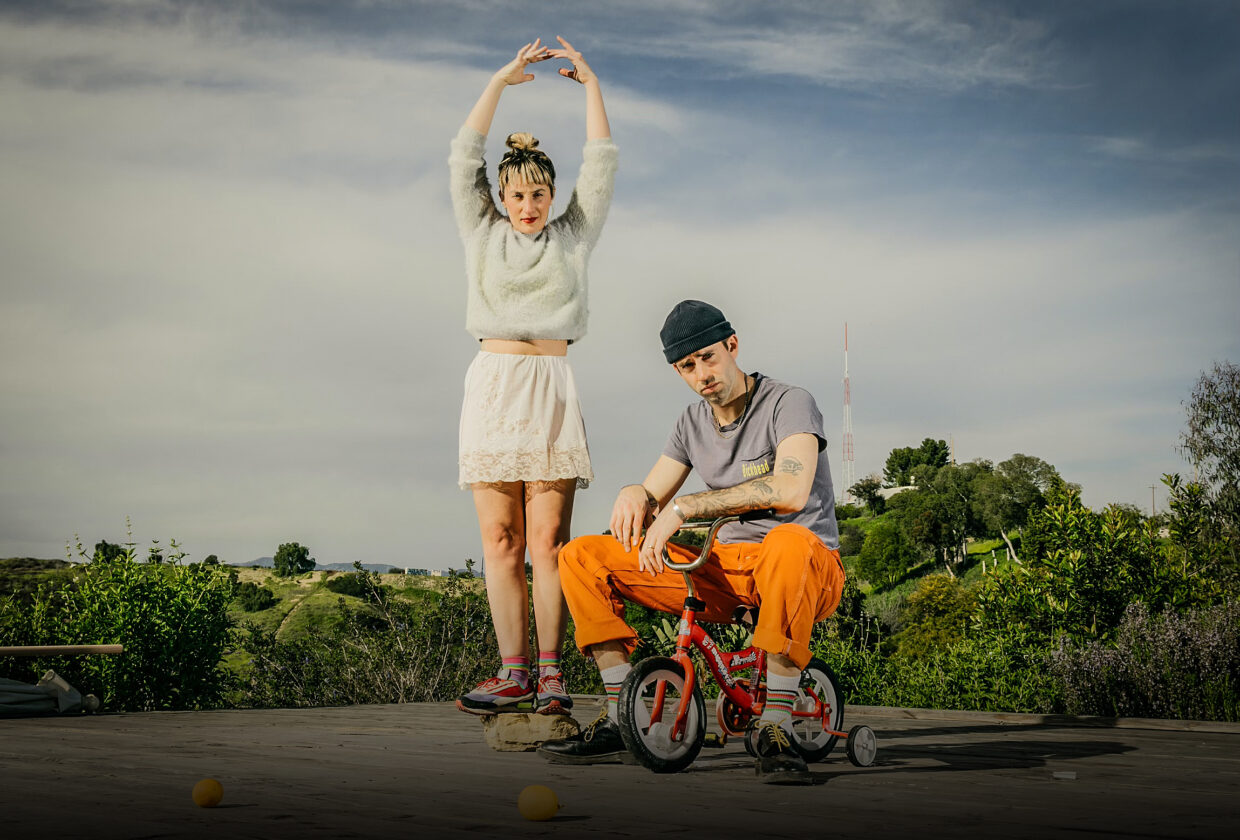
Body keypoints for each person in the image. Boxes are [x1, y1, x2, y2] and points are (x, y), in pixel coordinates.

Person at [537, 300, 845, 784]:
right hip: (722, 570)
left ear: (732, 346)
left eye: (708, 357)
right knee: (581, 556)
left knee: (789, 541)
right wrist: (634, 493)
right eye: (687, 365)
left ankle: (778, 727)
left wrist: (684, 508)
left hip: (805, 568)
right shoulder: (690, 423)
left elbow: (791, 490)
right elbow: (652, 492)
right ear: (677, 371)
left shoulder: (789, 402)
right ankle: (622, 714)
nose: (702, 374)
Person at [449, 38, 618, 716]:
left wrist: (592, 86)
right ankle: (512, 672)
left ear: (551, 195)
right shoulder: (481, 231)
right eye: (517, 195)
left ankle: (551, 675)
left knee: (548, 544)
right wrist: (499, 80)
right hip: (493, 387)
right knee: (502, 541)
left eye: (539, 194)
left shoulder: (572, 237)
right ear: (502, 195)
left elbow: (600, 166)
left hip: (550, 388)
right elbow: (463, 157)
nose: (528, 205)